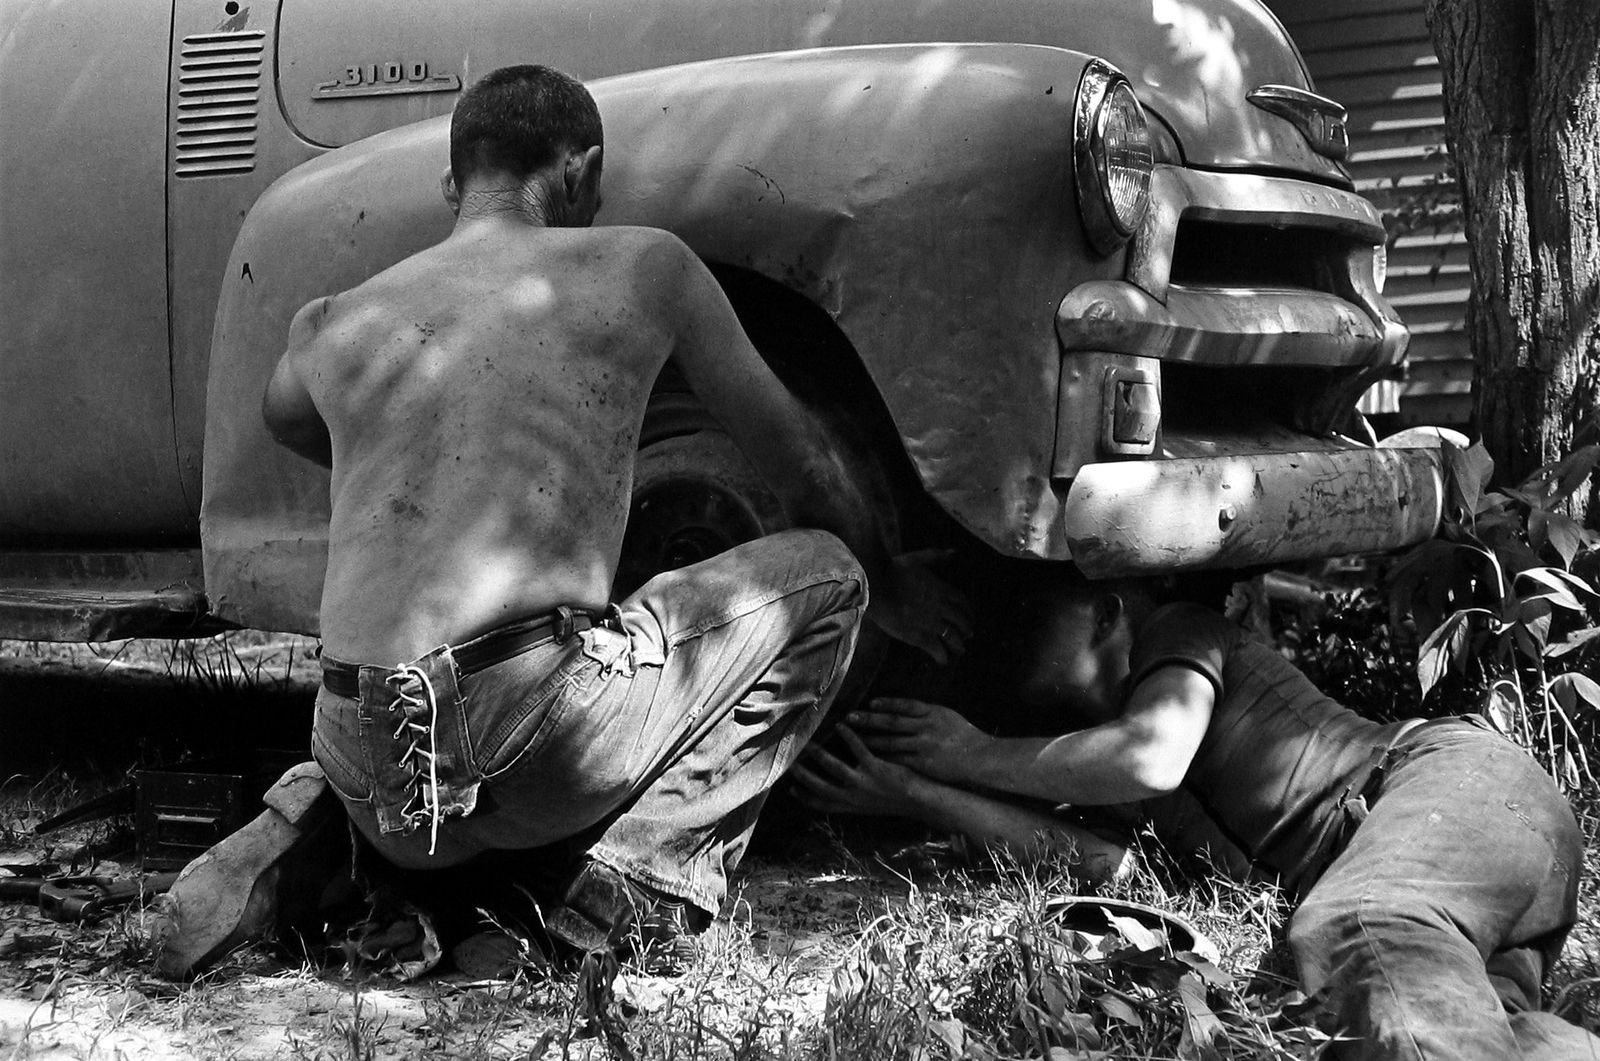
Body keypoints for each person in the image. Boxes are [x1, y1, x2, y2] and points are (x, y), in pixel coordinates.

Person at [153, 63, 968, 977]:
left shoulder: (333, 320)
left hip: (360, 747)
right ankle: (635, 886)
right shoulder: (649, 266)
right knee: (830, 578)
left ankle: (296, 839)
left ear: (452, 183)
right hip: (534, 741)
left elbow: (286, 415)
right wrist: (893, 581)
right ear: (581, 175)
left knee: (407, 742)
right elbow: (807, 467)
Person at [793, 575, 1599, 1060]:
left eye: (1090, 694)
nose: (1091, 720)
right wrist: (916, 792)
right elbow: (1106, 867)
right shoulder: (1130, 761)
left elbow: (1149, 754)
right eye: (1069, 715)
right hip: (1463, 864)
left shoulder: (1178, 633)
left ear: (1112, 613)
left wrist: (963, 754)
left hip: (1447, 786)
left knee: (1358, 924)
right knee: (1486, 1027)